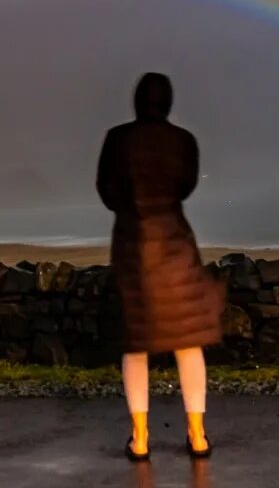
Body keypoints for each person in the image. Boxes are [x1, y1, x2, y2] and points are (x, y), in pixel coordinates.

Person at [96, 72, 226, 461]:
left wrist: (133, 205)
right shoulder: (184, 141)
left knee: (136, 345)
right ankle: (198, 436)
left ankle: (139, 439)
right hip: (174, 242)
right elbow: (186, 186)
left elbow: (106, 190)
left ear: (137, 100)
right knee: (188, 341)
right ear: (168, 101)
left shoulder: (117, 139)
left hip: (134, 244)